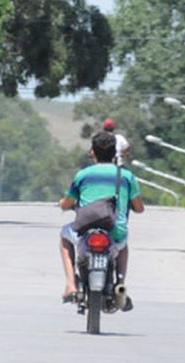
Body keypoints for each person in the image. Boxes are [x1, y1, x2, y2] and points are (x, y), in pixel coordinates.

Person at [59, 130, 144, 309]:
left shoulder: (82, 175)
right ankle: (120, 282)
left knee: (64, 236)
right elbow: (139, 208)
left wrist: (63, 204)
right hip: (115, 231)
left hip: (85, 230)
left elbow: (67, 203)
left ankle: (71, 285)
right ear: (115, 153)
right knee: (123, 244)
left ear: (93, 152)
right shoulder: (127, 176)